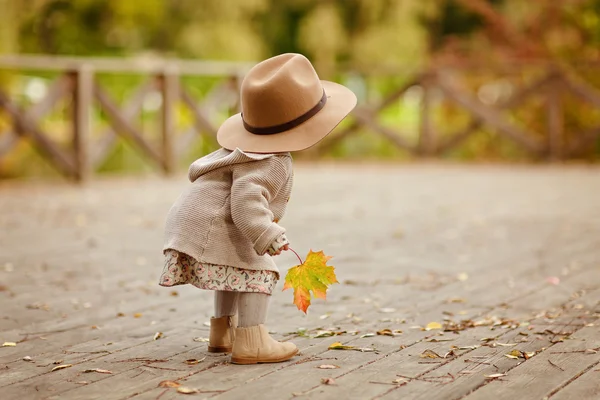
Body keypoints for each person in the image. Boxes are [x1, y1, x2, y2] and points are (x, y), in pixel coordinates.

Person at [159, 53, 356, 364]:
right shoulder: (272, 160)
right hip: (216, 221)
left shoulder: (248, 150)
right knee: (258, 270)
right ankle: (252, 341)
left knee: (233, 270)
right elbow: (245, 202)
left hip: (192, 217)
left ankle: (223, 331)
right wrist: (267, 234)